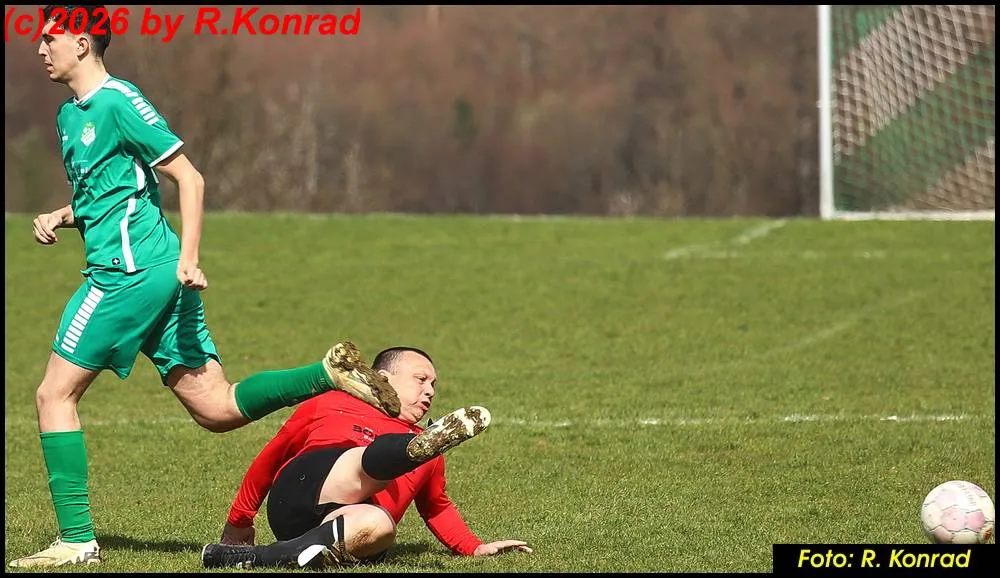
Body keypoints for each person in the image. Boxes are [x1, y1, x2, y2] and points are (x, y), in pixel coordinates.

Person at [9, 5, 401, 569]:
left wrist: (189, 260)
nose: (40, 48)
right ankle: (325, 374)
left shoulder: (119, 100)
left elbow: (189, 178)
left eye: (50, 37)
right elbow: (110, 194)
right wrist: (63, 215)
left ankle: (76, 539)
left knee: (54, 395)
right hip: (153, 270)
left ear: (82, 42)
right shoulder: (70, 115)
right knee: (216, 408)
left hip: (128, 274)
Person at [200, 347, 533, 569]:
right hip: (300, 492)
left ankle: (262, 557)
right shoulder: (331, 402)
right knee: (362, 463)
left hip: (342, 523)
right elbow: (271, 458)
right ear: (383, 378)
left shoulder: (430, 451)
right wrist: (239, 522)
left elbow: (437, 507)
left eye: (434, 384)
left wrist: (475, 548)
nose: (430, 390)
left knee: (381, 525)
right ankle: (401, 452)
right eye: (421, 379)